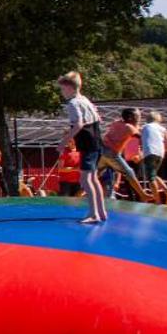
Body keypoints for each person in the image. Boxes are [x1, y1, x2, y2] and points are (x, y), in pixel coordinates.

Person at [58, 71, 106, 224]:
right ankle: (101, 211)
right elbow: (99, 117)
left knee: (85, 180)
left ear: (70, 88)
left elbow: (78, 123)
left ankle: (93, 214)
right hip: (97, 142)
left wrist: (64, 142)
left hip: (88, 144)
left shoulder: (73, 103)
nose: (62, 92)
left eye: (63, 89)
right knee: (93, 178)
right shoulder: (84, 99)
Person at [100, 108, 142, 199]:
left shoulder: (116, 122)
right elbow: (140, 137)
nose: (139, 119)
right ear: (131, 118)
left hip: (101, 150)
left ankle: (78, 195)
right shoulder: (130, 127)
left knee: (94, 175)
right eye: (138, 117)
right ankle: (143, 194)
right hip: (111, 153)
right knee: (129, 172)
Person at [140, 110, 167, 186]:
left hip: (150, 152)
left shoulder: (145, 127)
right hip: (160, 153)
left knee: (150, 177)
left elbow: (138, 138)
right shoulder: (163, 129)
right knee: (153, 174)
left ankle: (159, 195)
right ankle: (165, 191)